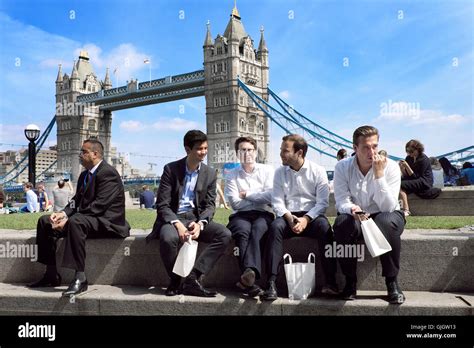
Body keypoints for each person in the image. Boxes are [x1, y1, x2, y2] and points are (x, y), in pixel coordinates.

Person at [28, 139, 131, 297]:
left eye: (83, 152)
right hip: (89, 220)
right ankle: (51, 274)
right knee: (45, 221)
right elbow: (76, 200)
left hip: (108, 222)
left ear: (94, 154)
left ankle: (80, 277)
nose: (79, 155)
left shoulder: (108, 173)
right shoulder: (84, 175)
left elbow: (99, 206)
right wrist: (62, 214)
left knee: (76, 222)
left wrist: (68, 221)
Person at [146, 130, 232, 297]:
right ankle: (176, 281)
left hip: (195, 218)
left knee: (224, 234)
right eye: (200, 149)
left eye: (206, 148)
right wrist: (177, 224)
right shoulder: (170, 169)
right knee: (168, 238)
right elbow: (162, 205)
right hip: (173, 218)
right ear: (187, 149)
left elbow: (209, 206)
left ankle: (193, 278)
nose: (204, 152)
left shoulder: (210, 173)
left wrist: (200, 224)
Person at [333, 125, 406, 304]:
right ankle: (350, 282)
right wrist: (352, 209)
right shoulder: (342, 167)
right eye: (366, 147)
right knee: (342, 223)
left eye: (374, 146)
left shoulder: (391, 167)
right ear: (355, 148)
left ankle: (392, 282)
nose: (371, 151)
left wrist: (379, 175)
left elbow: (388, 206)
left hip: (387, 214)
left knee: (385, 222)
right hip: (356, 214)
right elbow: (341, 200)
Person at [261, 134, 337, 301]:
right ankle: (271, 282)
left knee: (325, 228)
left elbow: (322, 203)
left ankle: (330, 282)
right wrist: (289, 218)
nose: (281, 154)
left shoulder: (318, 171)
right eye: (281, 150)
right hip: (288, 215)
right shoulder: (279, 172)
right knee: (274, 228)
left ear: (299, 153)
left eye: (285, 151)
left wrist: (306, 220)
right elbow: (277, 201)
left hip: (312, 217)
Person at [225, 136, 274, 297]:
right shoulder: (231, 174)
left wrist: (246, 194)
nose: (247, 153)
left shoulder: (267, 170)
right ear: (237, 153)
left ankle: (248, 277)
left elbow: (270, 197)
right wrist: (258, 197)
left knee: (259, 229)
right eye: (243, 150)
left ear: (255, 152)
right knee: (243, 231)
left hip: (263, 214)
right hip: (240, 216)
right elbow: (234, 204)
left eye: (250, 150)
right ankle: (249, 277)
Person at [398, 140, 439, 216]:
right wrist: (402, 169)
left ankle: (406, 209)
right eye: (407, 151)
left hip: (424, 181)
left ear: (418, 149)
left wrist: (407, 166)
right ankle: (399, 208)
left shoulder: (424, 159)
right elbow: (407, 176)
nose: (409, 153)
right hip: (415, 179)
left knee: (400, 184)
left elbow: (417, 177)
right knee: (396, 182)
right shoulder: (408, 158)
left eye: (411, 151)